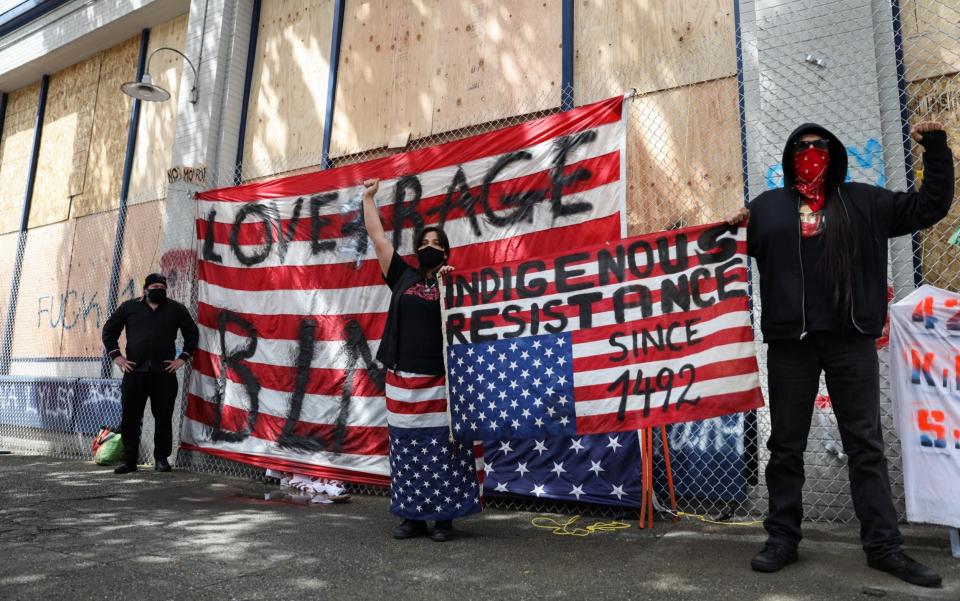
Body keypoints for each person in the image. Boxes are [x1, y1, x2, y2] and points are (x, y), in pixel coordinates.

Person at [727, 121, 953, 587]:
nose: (811, 153)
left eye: (820, 146)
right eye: (802, 147)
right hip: (792, 344)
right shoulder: (767, 209)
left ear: (835, 154)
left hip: (851, 340)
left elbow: (930, 205)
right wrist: (729, 228)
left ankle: (884, 547)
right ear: (790, 157)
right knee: (785, 446)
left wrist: (935, 147)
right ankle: (782, 539)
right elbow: (718, 252)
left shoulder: (866, 202)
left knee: (865, 445)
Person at [362, 178, 482, 542]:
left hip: (442, 379)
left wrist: (451, 286)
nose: (430, 247)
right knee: (407, 449)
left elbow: (470, 325)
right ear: (416, 249)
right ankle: (413, 517)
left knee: (444, 449)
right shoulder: (402, 275)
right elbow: (378, 237)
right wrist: (368, 198)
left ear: (446, 253)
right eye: (425, 243)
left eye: (437, 244)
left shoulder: (455, 283)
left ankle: (444, 519)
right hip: (403, 381)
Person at [102, 273, 199, 475]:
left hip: (164, 374)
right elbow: (110, 330)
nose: (159, 289)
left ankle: (161, 459)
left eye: (162, 286)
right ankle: (129, 460)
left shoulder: (176, 309)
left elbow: (192, 333)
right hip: (134, 372)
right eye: (154, 286)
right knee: (130, 417)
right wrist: (117, 357)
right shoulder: (129, 307)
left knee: (163, 417)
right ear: (146, 289)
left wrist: (182, 359)